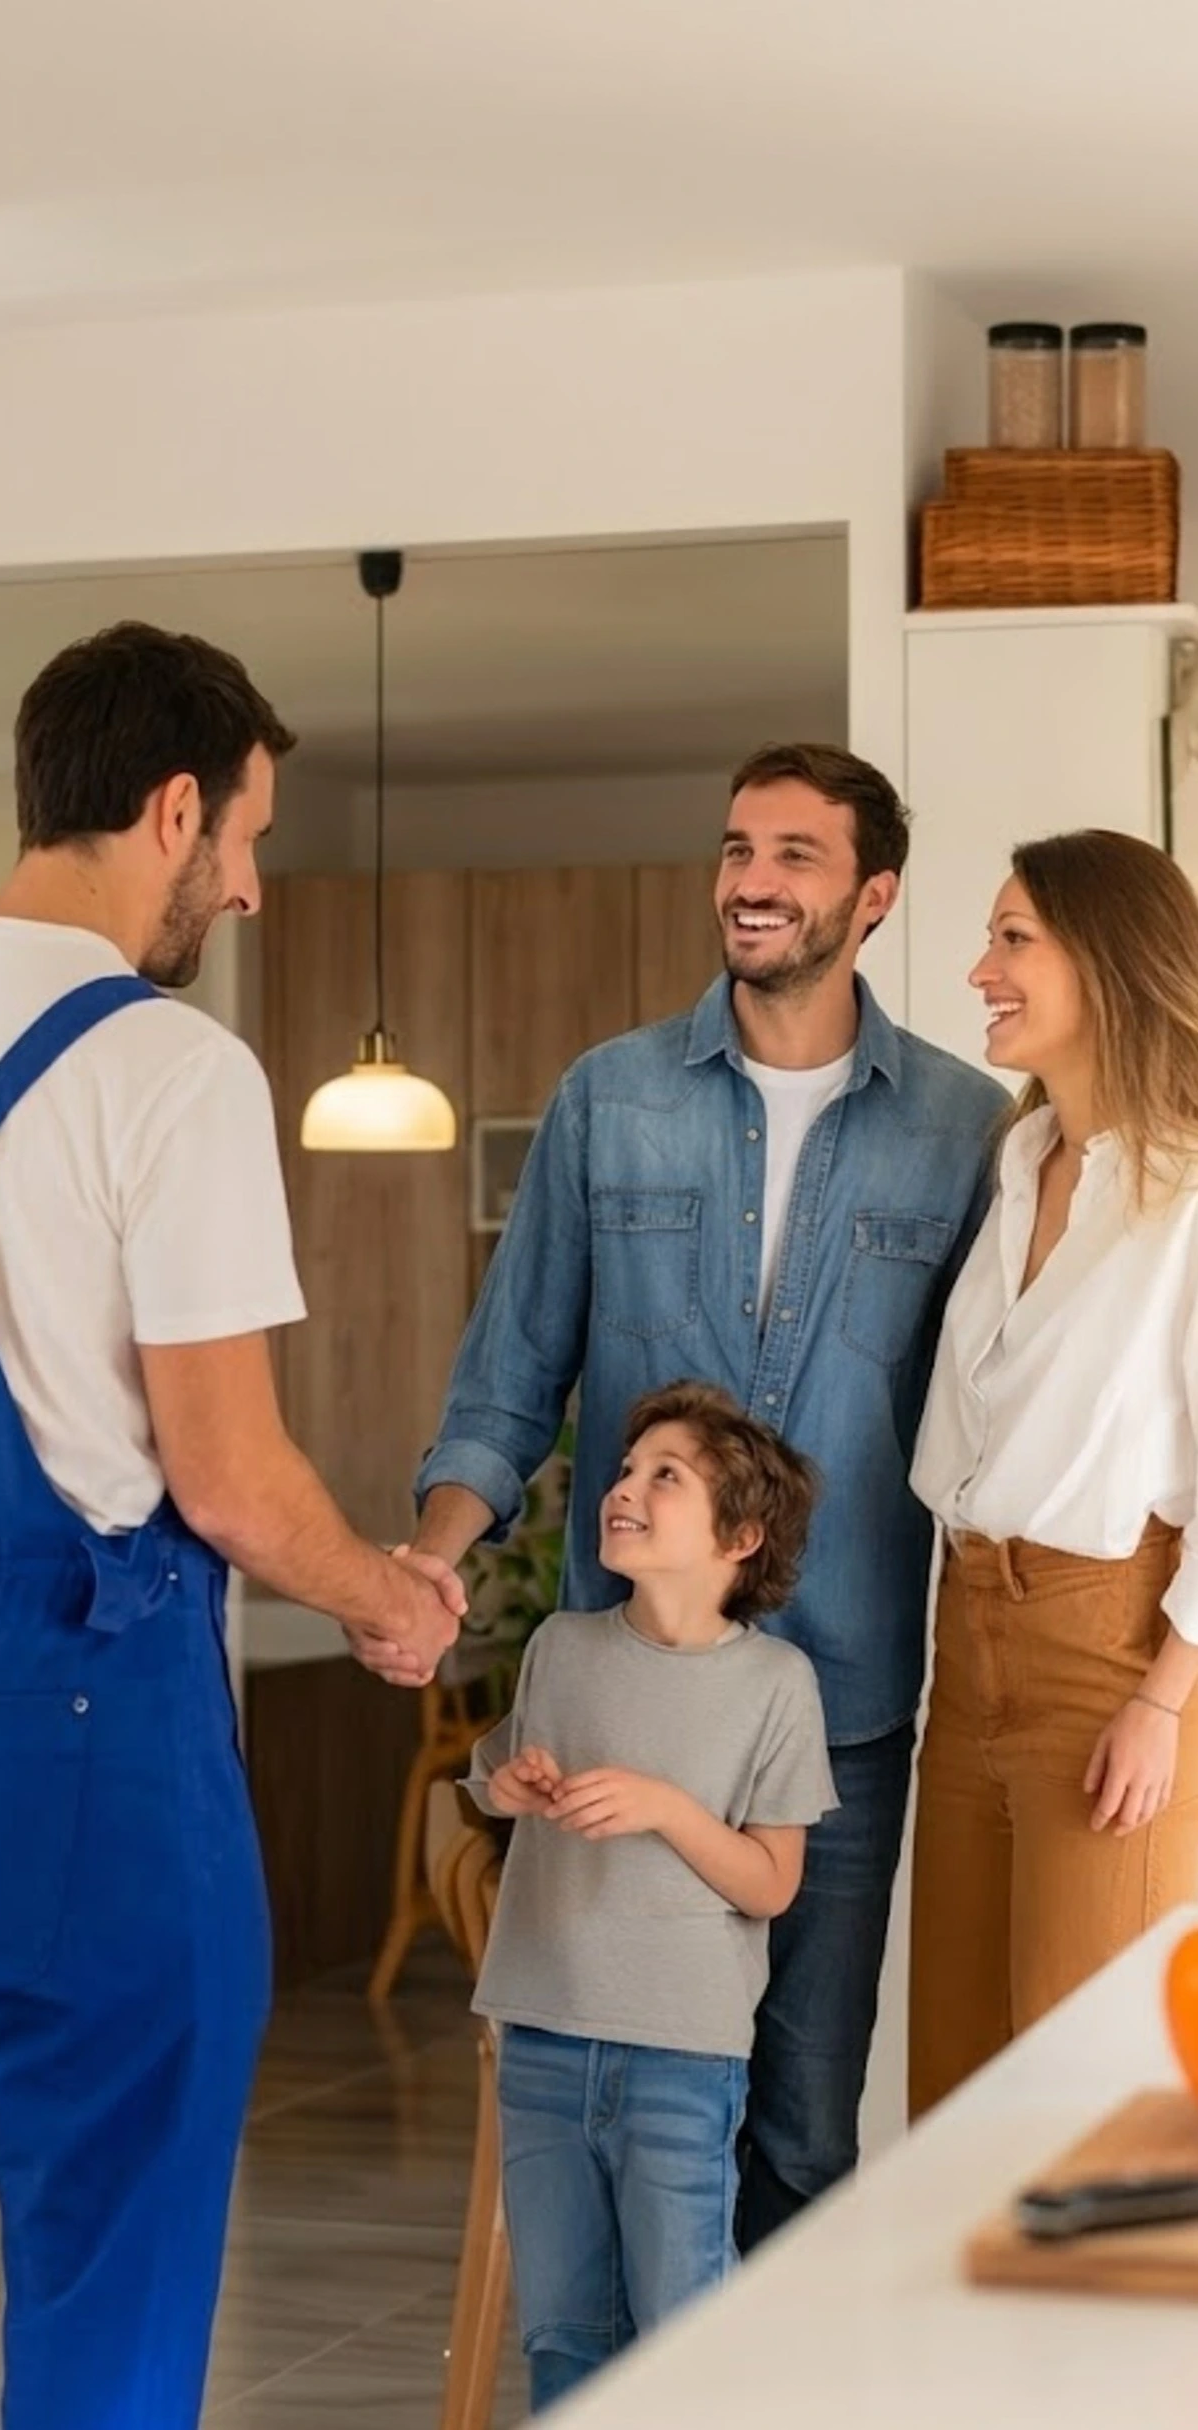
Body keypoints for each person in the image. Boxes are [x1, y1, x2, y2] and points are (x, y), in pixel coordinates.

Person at [0, 621, 463, 2430]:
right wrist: (390, 1600)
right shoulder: (170, 1069)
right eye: (248, 840)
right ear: (171, 808)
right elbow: (225, 1477)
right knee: (109, 2290)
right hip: (88, 1740)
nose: (247, 886)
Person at [414, 742, 1006, 2247]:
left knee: (804, 2119)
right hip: (627, 1692)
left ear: (872, 894)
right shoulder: (607, 1100)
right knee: (629, 2106)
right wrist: (429, 1561)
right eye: (738, 847)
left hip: (846, 1694)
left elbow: (998, 1410)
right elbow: (509, 1375)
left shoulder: (968, 1129)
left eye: (796, 854)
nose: (751, 879)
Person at [467, 1383, 834, 2411]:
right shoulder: (561, 1649)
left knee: (684, 2346)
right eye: (625, 1471)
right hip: (541, 2043)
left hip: (683, 2060)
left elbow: (771, 1881)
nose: (624, 1489)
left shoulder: (777, 1686)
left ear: (742, 1536)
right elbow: (491, 1771)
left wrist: (666, 1808)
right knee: (562, 2339)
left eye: (663, 1476)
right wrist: (504, 1787)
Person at [909, 829, 1198, 2117]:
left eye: (1013, 937)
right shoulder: (1018, 1166)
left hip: (1113, 1656)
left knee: (1093, 2111)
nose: (981, 969)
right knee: (959, 2096)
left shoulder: (1189, 1191)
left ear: (1110, 957)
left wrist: (1165, 1702)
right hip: (965, 1636)